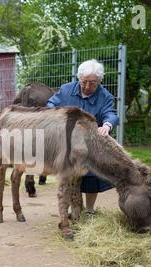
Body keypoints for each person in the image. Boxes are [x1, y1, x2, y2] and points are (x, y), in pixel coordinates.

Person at [46, 59, 119, 214]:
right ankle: (75, 209)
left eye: (92, 83)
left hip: (91, 144)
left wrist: (107, 125)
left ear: (99, 81)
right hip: (68, 142)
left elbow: (110, 114)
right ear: (79, 78)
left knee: (91, 177)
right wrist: (58, 116)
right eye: (84, 82)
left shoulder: (105, 96)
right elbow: (51, 104)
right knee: (71, 177)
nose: (87, 86)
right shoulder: (66, 90)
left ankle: (90, 210)